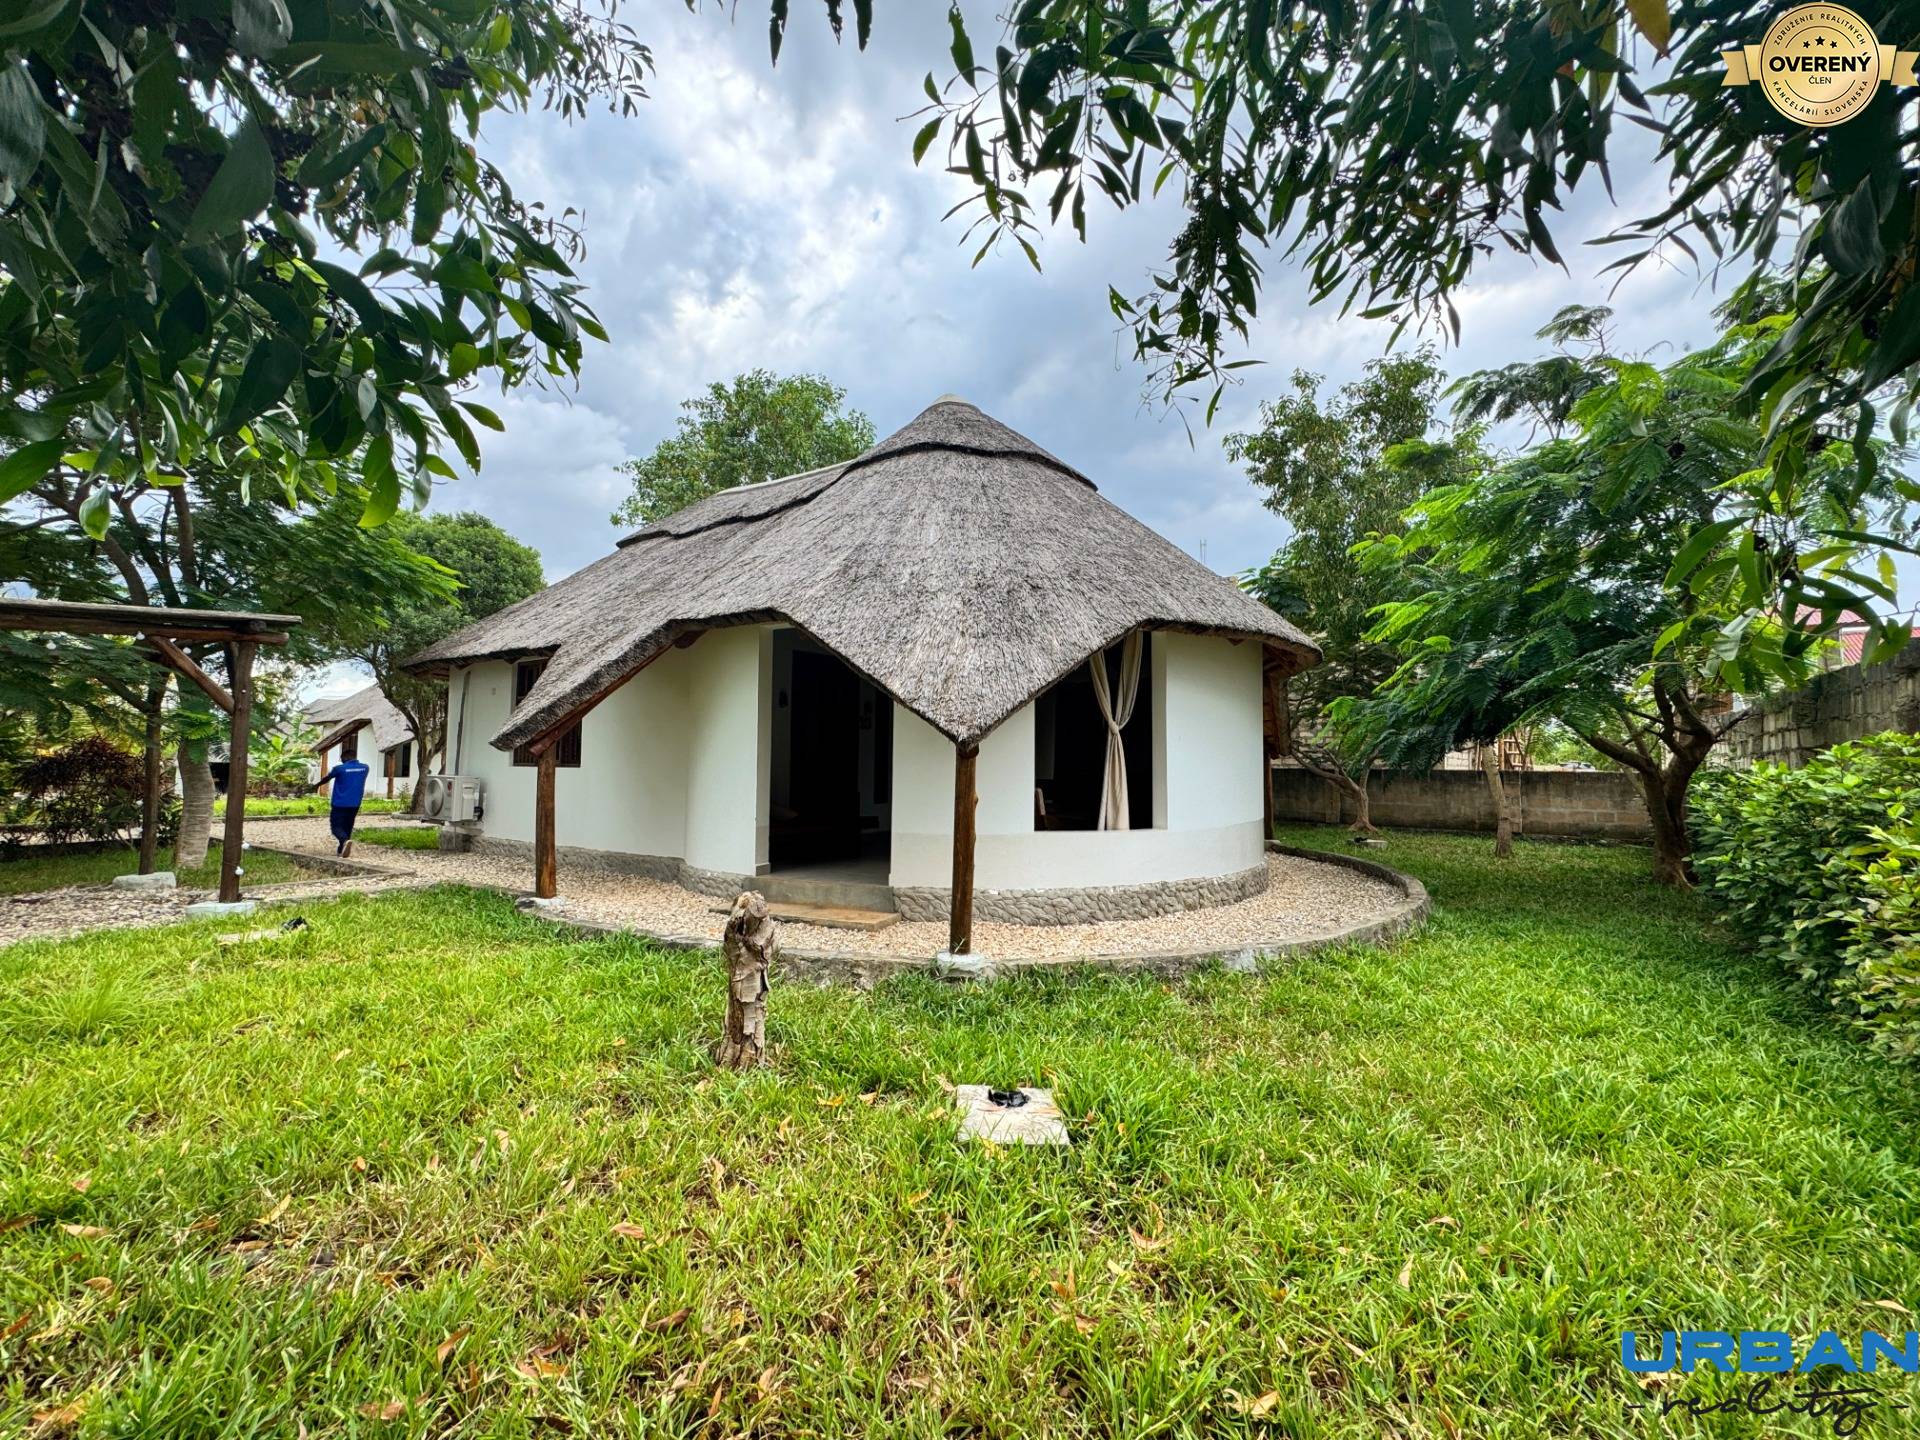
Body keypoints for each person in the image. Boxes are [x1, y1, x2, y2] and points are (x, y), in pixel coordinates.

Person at [313, 741, 372, 857]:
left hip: (340, 803)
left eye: (342, 759)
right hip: (355, 803)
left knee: (336, 826)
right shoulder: (365, 768)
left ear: (344, 758)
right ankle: (342, 848)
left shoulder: (339, 769)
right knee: (348, 825)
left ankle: (344, 841)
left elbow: (327, 778)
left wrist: (316, 785)